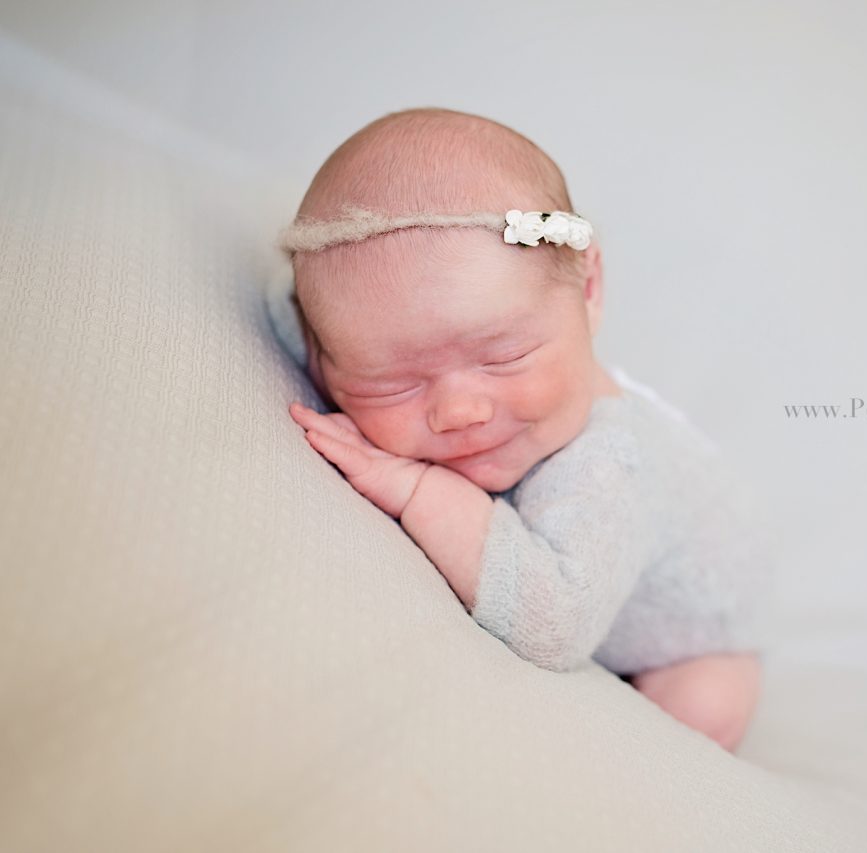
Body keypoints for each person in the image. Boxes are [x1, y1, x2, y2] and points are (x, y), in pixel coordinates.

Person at [271, 107, 775, 753]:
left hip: (687, 635)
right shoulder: (352, 337)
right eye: (391, 383)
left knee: (700, 710)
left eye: (503, 357)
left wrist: (423, 491)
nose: (460, 411)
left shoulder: (609, 465)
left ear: (588, 290)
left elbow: (554, 622)